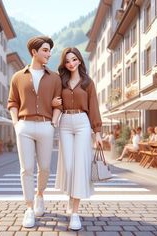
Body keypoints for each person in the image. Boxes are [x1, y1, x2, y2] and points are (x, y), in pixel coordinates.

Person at [7, 36, 62, 228]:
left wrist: (53, 123)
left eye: (49, 50)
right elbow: (12, 102)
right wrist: (16, 123)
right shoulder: (18, 76)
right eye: (45, 50)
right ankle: (29, 208)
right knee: (26, 168)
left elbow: (59, 103)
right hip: (25, 126)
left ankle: (40, 194)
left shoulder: (54, 77)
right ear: (34, 52)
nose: (48, 54)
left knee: (45, 167)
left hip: (46, 125)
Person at [53, 47, 102, 230]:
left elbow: (94, 106)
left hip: (82, 122)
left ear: (80, 60)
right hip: (65, 122)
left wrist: (97, 132)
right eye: (67, 61)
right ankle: (70, 197)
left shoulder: (88, 82)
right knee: (69, 167)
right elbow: (55, 101)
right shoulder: (61, 81)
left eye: (74, 59)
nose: (71, 63)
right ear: (64, 64)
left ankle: (75, 213)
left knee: (80, 167)